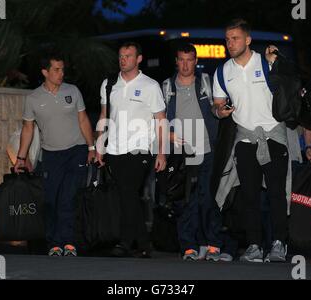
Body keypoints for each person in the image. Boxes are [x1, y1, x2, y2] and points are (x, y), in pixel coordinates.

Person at [213, 19, 294, 263]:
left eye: (235, 38)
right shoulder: (222, 71)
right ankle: (254, 246)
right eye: (227, 39)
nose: (230, 43)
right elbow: (217, 105)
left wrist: (276, 59)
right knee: (248, 196)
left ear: (248, 40)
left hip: (273, 136)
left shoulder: (266, 62)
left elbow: (290, 81)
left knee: (277, 193)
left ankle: (279, 244)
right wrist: (220, 111)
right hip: (245, 138)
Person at [14, 53, 96, 257]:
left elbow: (83, 120)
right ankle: (54, 243)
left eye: (62, 69)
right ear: (45, 72)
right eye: (56, 70)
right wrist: (21, 158)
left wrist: (92, 147)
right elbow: (27, 129)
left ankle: (68, 242)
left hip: (76, 151)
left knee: (68, 197)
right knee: (51, 200)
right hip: (50, 155)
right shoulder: (33, 98)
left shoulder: (73, 91)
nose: (61, 73)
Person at [95, 42, 167, 258]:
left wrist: (161, 152)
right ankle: (135, 242)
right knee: (127, 197)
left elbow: (161, 120)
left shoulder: (150, 85)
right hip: (114, 150)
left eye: (128, 56)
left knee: (128, 193)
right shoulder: (109, 84)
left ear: (138, 59)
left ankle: (133, 243)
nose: (123, 59)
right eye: (120, 56)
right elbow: (103, 116)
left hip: (140, 150)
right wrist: (99, 147)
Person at [162, 43, 228, 262]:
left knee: (207, 198)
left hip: (206, 149)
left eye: (189, 59)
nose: (185, 64)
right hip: (181, 153)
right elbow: (157, 118)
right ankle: (189, 247)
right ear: (176, 61)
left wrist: (221, 112)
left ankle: (213, 244)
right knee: (184, 201)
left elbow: (216, 109)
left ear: (196, 61)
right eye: (181, 59)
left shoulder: (206, 84)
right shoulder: (166, 87)